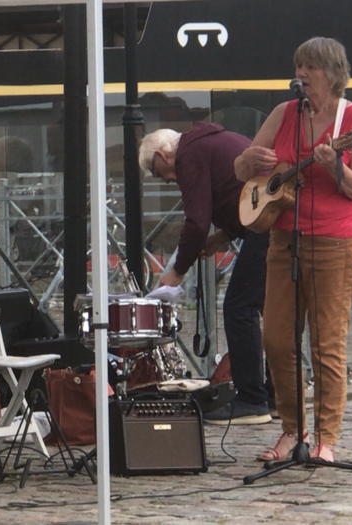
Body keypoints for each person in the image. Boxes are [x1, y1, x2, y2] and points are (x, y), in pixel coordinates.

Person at [234, 37, 352, 463]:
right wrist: (251, 161)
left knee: (326, 344)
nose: (301, 76)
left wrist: (334, 163)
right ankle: (292, 430)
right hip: (284, 242)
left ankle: (326, 440)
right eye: (298, 67)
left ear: (332, 74)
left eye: (308, 68)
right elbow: (241, 168)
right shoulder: (284, 113)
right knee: (276, 340)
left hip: (336, 244)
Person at [140, 123, 273, 425]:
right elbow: (236, 193)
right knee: (270, 309)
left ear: (163, 153)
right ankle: (275, 396)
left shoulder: (189, 155)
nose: (169, 180)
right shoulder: (214, 141)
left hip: (265, 227)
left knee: (240, 308)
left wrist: (175, 272)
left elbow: (197, 221)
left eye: (161, 172)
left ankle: (253, 400)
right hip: (271, 221)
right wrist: (221, 238)